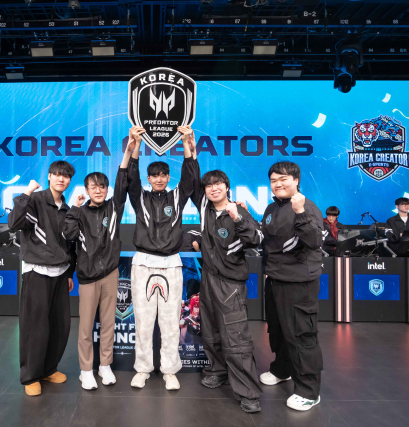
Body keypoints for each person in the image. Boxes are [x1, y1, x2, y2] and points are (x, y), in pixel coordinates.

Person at [62, 128, 142, 390]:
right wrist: (74, 207)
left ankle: (104, 366)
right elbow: (68, 234)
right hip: (87, 277)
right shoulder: (79, 212)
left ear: (107, 189)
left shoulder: (113, 207)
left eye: (102, 186)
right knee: (86, 327)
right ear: (86, 189)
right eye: (93, 186)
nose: (98, 190)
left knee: (109, 323)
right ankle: (86, 370)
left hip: (110, 274)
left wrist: (128, 151)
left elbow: (122, 181)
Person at [188, 159, 264, 413]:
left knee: (236, 338)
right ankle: (217, 371)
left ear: (227, 187)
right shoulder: (205, 208)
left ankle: (248, 392)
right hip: (208, 279)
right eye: (208, 185)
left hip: (230, 284)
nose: (213, 188)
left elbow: (256, 239)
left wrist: (238, 218)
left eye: (218, 184)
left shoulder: (239, 211)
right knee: (210, 331)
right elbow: (193, 176)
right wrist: (190, 150)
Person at [126, 125, 198, 390]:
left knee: (169, 322)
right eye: (154, 175)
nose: (159, 179)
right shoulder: (140, 198)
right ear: (149, 178)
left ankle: (169, 370)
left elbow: (190, 177)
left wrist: (186, 143)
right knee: (143, 321)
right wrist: (135, 147)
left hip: (171, 263)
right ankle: (143, 369)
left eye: (163, 175)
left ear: (168, 177)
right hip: (143, 262)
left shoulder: (177, 197)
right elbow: (130, 178)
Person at [8, 161, 77, 397]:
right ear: (49, 176)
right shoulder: (35, 200)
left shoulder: (67, 209)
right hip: (37, 271)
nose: (61, 179)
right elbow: (14, 223)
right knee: (34, 327)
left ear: (69, 180)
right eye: (57, 174)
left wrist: (69, 273)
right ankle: (31, 376)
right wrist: (27, 192)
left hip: (60, 272)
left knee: (59, 326)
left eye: (65, 176)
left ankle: (48, 369)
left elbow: (69, 245)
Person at [260, 161, 324, 411]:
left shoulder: (307, 206)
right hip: (275, 279)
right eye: (273, 180)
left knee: (301, 335)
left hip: (299, 282)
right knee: (278, 331)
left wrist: (300, 212)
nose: (278, 184)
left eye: (283, 179)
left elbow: (315, 241)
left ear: (296, 180)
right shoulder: (271, 208)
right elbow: (269, 242)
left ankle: (309, 391)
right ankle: (282, 369)